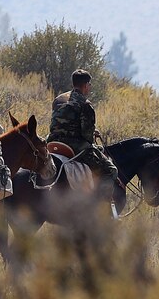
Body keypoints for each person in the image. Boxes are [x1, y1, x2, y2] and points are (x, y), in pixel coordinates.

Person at [48, 69, 121, 217]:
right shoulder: (85, 104)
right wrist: (92, 133)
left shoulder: (58, 100)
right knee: (110, 170)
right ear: (86, 85)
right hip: (74, 146)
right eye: (89, 84)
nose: (90, 87)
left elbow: (62, 124)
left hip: (52, 142)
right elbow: (87, 137)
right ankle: (101, 209)